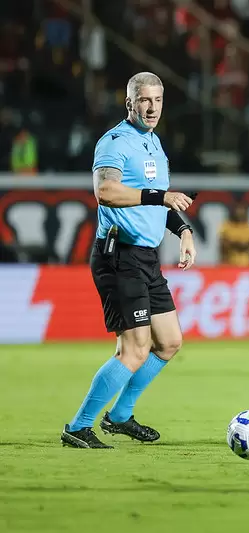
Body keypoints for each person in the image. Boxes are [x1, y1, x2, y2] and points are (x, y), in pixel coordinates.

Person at [61, 72, 197, 449]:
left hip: (145, 258)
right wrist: (160, 197)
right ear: (130, 103)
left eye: (157, 100)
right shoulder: (115, 142)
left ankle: (120, 416)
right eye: (144, 101)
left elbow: (161, 201)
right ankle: (78, 426)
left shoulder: (154, 144)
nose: (152, 108)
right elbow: (105, 191)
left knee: (168, 342)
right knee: (135, 348)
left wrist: (183, 231)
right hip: (117, 256)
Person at [219, 202, 249, 267]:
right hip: (229, 265)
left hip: (246, 265)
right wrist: (238, 244)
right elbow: (224, 244)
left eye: (242, 210)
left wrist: (243, 245)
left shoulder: (248, 227)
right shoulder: (227, 226)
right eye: (238, 210)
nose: (240, 213)